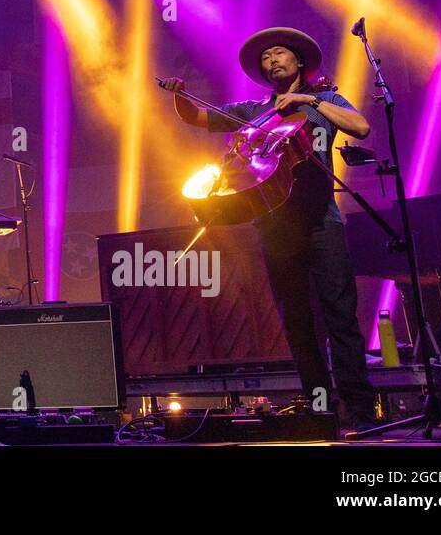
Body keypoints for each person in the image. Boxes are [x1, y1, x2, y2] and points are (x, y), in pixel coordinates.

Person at [160, 26, 379, 431]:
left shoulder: (325, 100)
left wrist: (308, 99)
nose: (272, 60)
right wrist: (179, 94)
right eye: (266, 57)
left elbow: (361, 128)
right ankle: (321, 409)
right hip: (275, 229)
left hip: (321, 223)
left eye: (280, 53)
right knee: (298, 322)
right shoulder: (253, 112)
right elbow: (197, 116)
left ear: (298, 62)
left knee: (341, 318)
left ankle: (362, 412)